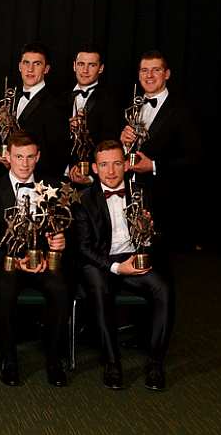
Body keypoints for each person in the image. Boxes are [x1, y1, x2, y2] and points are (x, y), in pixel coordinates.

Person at [73, 139, 173, 391]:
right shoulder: (83, 200)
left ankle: (155, 364)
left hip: (133, 257)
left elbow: (159, 238)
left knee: (163, 289)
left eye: (117, 163)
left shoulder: (142, 192)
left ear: (125, 165)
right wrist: (117, 268)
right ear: (94, 168)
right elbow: (84, 248)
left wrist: (148, 233)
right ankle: (112, 363)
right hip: (100, 262)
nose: (111, 171)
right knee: (97, 284)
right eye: (104, 165)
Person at [0, 132, 71, 387]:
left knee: (60, 289)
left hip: (43, 262)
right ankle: (9, 360)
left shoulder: (54, 189)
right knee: (5, 291)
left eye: (30, 157)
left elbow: (65, 227)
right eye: (18, 157)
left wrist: (60, 242)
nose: (24, 163)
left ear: (38, 157)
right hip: (8, 263)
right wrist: (14, 260)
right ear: (7, 157)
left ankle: (54, 360)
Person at [119, 50, 201, 249]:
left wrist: (153, 165)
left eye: (156, 70)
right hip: (129, 196)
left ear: (167, 74)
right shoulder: (131, 105)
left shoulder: (183, 110)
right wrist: (123, 142)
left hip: (166, 202)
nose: (149, 75)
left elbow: (195, 158)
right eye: (144, 70)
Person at [0, 43, 70, 179]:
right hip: (8, 181)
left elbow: (57, 153)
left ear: (46, 69)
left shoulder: (56, 105)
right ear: (20, 66)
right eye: (26, 63)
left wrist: (19, 163)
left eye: (37, 64)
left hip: (39, 182)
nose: (30, 69)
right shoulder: (10, 100)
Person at [67, 45, 122, 185]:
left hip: (93, 182)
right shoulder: (59, 98)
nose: (85, 70)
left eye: (91, 65)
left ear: (101, 68)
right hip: (59, 180)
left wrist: (91, 177)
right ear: (74, 66)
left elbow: (111, 143)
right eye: (81, 64)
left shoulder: (110, 101)